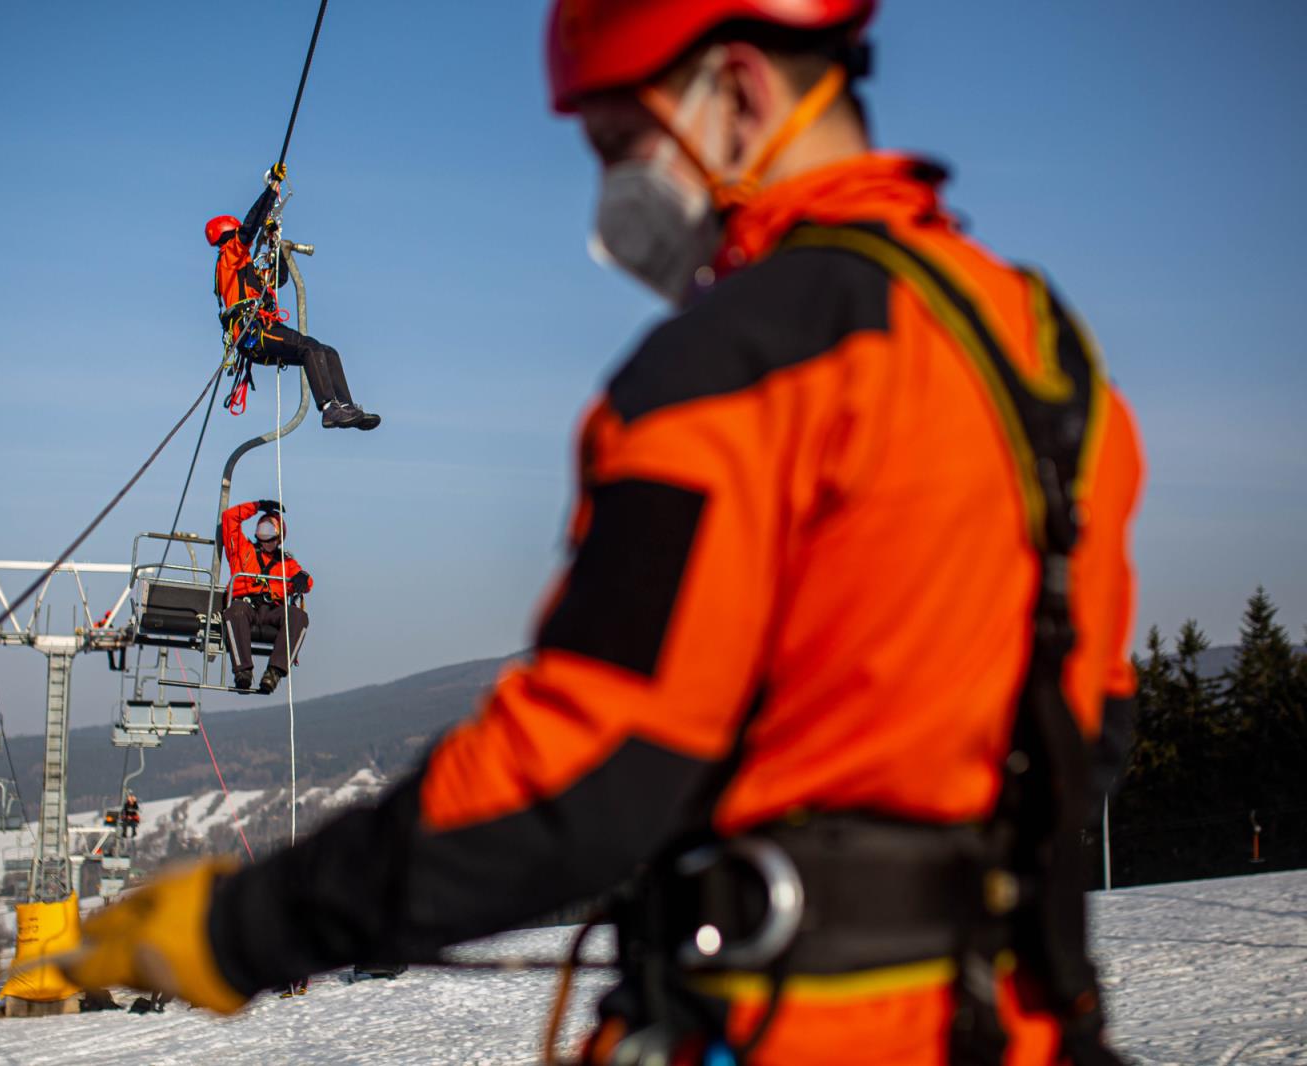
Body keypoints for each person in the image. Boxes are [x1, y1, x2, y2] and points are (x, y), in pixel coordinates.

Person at [69, 4, 1143, 1063]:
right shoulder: (1035, 347)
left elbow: (578, 771)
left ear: (737, 89)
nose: (610, 190)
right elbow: (1090, 723)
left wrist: (244, 925)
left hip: (792, 1026)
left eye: (620, 142)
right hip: (1020, 1015)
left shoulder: (727, 370)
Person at [208, 165, 380, 431]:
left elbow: (278, 279)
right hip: (253, 333)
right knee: (308, 347)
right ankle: (328, 408)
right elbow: (250, 226)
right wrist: (271, 189)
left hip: (265, 328)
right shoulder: (229, 257)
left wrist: (276, 244)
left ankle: (345, 407)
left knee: (326, 351)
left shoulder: (246, 271)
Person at [219, 498, 311, 696]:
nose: (265, 535)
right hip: (245, 606)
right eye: (262, 528)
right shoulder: (242, 549)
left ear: (279, 537)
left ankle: (274, 672)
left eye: (270, 530)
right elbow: (229, 518)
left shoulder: (286, 563)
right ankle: (243, 672)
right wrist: (257, 506)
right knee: (235, 612)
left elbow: (305, 581)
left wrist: (303, 579)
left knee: (298, 617)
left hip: (272, 611)